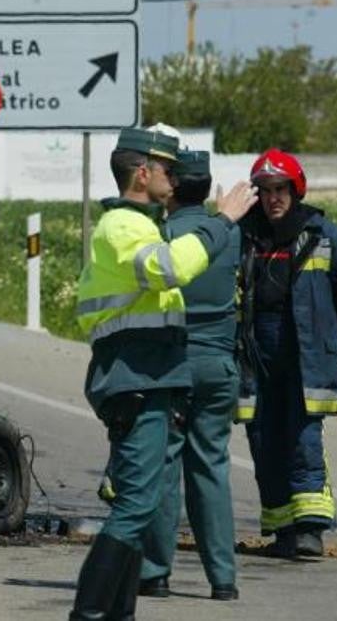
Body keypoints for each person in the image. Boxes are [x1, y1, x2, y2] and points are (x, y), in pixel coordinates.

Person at [71, 128, 257, 620]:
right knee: (136, 505)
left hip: (149, 373)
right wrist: (221, 223)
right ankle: (88, 615)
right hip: (135, 374)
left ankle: (119, 613)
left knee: (143, 499)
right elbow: (169, 268)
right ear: (142, 172)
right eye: (167, 170)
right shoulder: (123, 226)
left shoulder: (141, 224)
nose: (174, 179)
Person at [237, 148, 337, 558]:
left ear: (295, 191)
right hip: (255, 355)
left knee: (302, 438)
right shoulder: (243, 236)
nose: (273, 198)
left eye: (281, 189)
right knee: (263, 437)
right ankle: (283, 530)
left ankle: (310, 530)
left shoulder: (324, 235)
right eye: (265, 190)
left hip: (307, 353)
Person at [136, 149, 241, 601]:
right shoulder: (229, 236)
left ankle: (155, 571)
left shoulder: (164, 235)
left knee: (164, 464)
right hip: (219, 365)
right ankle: (223, 579)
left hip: (173, 361)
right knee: (211, 468)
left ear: (173, 186)